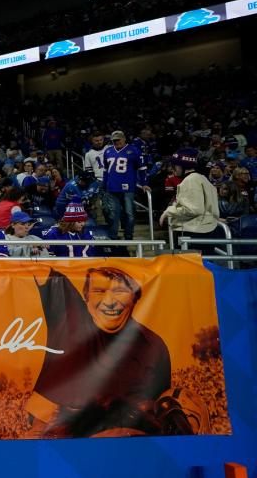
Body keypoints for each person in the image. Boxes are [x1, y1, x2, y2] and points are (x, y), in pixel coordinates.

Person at [25, 267, 172, 438]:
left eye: (120, 291)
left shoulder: (154, 345)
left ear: (135, 297)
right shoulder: (69, 316)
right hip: (58, 434)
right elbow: (38, 266)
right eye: (99, 291)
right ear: (86, 298)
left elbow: (158, 412)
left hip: (126, 438)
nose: (109, 301)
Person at [159, 148, 221, 253]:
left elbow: (193, 209)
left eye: (174, 165)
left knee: (192, 268)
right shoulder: (202, 178)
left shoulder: (190, 180)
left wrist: (169, 211)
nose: (172, 169)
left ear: (181, 166)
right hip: (206, 230)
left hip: (195, 232)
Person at [101, 130, 148, 241]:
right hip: (112, 188)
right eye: (114, 140)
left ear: (124, 138)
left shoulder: (134, 150)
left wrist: (144, 183)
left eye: (118, 140)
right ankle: (113, 236)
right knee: (113, 214)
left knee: (129, 214)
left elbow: (142, 169)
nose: (116, 142)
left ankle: (128, 236)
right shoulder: (108, 151)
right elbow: (105, 170)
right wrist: (104, 184)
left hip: (128, 188)